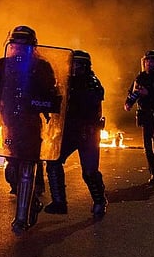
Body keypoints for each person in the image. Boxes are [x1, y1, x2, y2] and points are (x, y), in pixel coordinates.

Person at [0, 25, 60, 234]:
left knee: (27, 166)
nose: (19, 48)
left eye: (23, 45)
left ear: (32, 46)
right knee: (12, 170)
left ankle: (21, 219)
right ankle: (32, 200)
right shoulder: (2, 65)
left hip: (31, 122)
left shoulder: (41, 67)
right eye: (16, 44)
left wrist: (47, 105)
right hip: (8, 122)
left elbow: (51, 92)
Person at [44, 50, 108, 218]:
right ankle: (59, 202)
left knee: (89, 172)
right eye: (72, 64)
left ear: (85, 66)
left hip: (88, 133)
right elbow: (55, 101)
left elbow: (86, 104)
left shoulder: (92, 84)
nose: (74, 68)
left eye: (78, 65)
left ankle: (100, 201)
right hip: (69, 131)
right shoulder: (65, 82)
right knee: (53, 161)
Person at [124, 50, 154, 186]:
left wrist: (149, 92)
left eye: (152, 61)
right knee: (147, 145)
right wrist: (129, 102)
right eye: (147, 61)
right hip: (146, 114)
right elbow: (134, 91)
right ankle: (153, 173)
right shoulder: (141, 76)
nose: (149, 64)